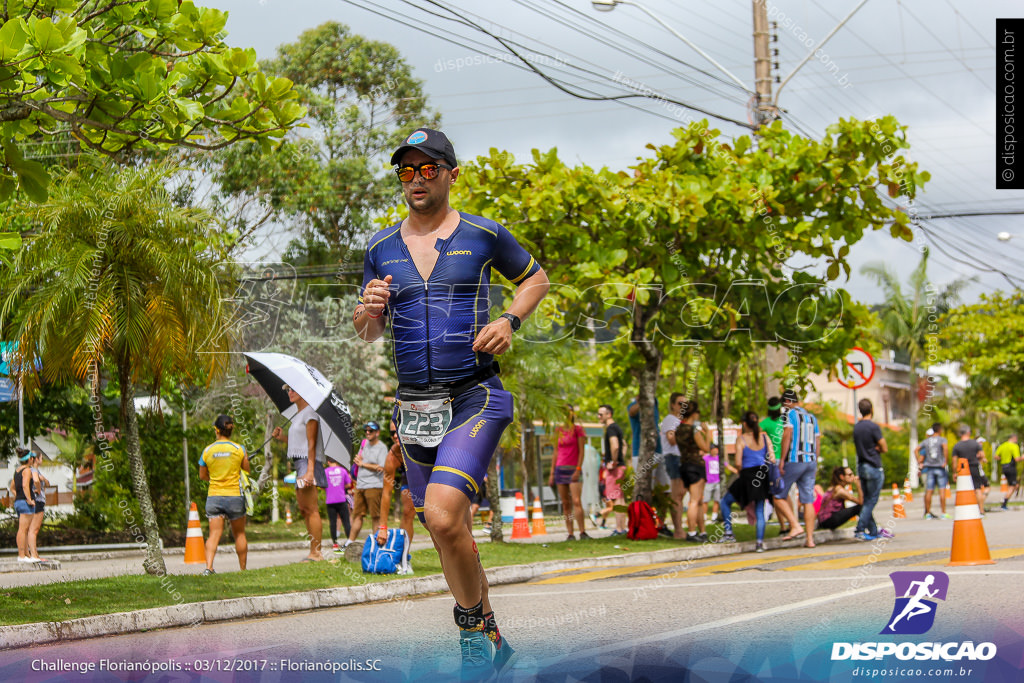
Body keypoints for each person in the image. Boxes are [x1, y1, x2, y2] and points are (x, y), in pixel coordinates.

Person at [353, 127, 549, 679]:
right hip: (415, 405)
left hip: (475, 395)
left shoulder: (483, 235)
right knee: (448, 530)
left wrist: (509, 319)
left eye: (427, 169)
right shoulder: (378, 248)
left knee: (440, 517)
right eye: (406, 171)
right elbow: (368, 331)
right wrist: (368, 309)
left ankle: (469, 638)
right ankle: (492, 636)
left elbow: (536, 279)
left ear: (451, 174)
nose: (416, 180)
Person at [272, 385, 327, 562]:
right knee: (304, 510)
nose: (290, 392)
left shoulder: (310, 413)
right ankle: (313, 550)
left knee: (311, 509)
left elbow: (311, 443)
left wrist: (310, 471)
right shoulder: (298, 414)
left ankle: (317, 552)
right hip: (300, 463)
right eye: (288, 389)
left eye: (294, 389)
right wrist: (283, 438)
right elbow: (299, 442)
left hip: (307, 462)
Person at [198, 415, 250, 575]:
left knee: (214, 534)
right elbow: (246, 471)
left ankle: (209, 567)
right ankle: (242, 570)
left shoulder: (207, 451)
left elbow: (202, 476)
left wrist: (214, 477)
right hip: (235, 497)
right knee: (239, 534)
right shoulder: (239, 449)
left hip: (214, 497)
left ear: (216, 430)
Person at [719, 411, 775, 551]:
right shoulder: (764, 437)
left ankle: (728, 532)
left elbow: (738, 462)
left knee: (725, 501)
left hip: (746, 475)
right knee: (759, 509)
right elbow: (772, 458)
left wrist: (740, 471)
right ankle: (759, 543)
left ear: (744, 424)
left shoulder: (741, 439)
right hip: (762, 475)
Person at [776, 390, 820, 548]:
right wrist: (815, 460)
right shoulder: (812, 417)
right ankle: (810, 539)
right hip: (810, 460)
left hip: (795, 460)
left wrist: (782, 460)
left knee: (777, 494)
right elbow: (817, 441)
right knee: (808, 500)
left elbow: (787, 435)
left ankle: (794, 525)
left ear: (788, 401)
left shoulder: (790, 415)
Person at [760, 396, 802, 537]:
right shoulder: (786, 420)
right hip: (786, 460)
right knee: (783, 493)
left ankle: (787, 525)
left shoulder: (764, 423)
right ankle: (790, 524)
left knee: (777, 494)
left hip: (773, 461)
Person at [376, 421, 415, 574]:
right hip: (410, 476)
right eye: (391, 433)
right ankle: (404, 559)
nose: (394, 436)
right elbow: (386, 493)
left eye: (397, 431)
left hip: (430, 471)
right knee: (407, 511)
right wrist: (383, 528)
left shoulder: (421, 444)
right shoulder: (393, 455)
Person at [853, 398, 893, 541]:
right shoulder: (873, 427)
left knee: (867, 501)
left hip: (862, 466)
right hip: (874, 466)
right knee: (871, 501)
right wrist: (876, 448)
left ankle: (874, 531)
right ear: (872, 410)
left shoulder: (856, 427)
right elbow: (884, 447)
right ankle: (859, 529)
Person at [548, 405, 589, 540]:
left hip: (573, 469)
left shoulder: (578, 430)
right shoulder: (558, 430)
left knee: (576, 501)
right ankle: (570, 533)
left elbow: (582, 451)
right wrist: (552, 472)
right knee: (565, 503)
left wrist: (578, 469)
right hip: (560, 469)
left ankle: (582, 532)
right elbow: (555, 452)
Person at [347, 422, 388, 549]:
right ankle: (350, 543)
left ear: (377, 432)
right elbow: (359, 463)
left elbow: (382, 467)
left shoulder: (381, 448)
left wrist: (363, 464)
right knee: (357, 515)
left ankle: (377, 545)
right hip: (360, 485)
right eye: (366, 430)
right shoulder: (364, 444)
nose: (368, 432)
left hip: (374, 485)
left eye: (371, 430)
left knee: (375, 516)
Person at [674, 402, 711, 542]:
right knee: (694, 501)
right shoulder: (693, 430)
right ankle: (691, 533)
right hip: (696, 466)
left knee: (699, 500)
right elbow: (706, 448)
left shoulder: (679, 430)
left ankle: (702, 532)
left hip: (684, 465)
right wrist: (707, 433)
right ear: (694, 414)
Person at [598, 404, 627, 536]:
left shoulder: (611, 428)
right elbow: (624, 445)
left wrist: (613, 462)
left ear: (608, 414)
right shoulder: (617, 428)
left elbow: (615, 446)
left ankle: (620, 529)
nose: (599, 417)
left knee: (615, 498)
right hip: (621, 465)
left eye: (601, 414)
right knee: (619, 497)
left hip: (615, 468)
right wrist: (621, 459)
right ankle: (621, 528)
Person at [660, 392, 686, 538]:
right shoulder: (670, 419)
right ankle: (678, 530)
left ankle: (677, 527)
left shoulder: (682, 421)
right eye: (680, 404)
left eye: (685, 404)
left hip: (680, 458)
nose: (683, 407)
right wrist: (689, 438)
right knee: (676, 496)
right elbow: (671, 439)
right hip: (673, 458)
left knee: (679, 495)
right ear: (672, 405)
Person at [917, 422, 950, 519]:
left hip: (929, 468)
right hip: (939, 467)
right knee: (942, 491)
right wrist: (945, 461)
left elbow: (916, 450)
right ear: (940, 430)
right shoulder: (942, 440)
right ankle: (943, 513)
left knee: (929, 491)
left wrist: (919, 463)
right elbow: (945, 448)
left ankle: (927, 514)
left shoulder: (926, 441)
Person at [952, 425, 986, 514]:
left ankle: (967, 510)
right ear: (968, 433)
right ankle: (981, 510)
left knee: (964, 489)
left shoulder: (957, 445)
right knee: (977, 489)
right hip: (974, 467)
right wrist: (979, 459)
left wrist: (954, 472)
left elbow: (954, 461)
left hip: (963, 470)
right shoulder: (975, 443)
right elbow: (982, 455)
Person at [817, 466, 863, 531]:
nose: (853, 476)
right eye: (850, 475)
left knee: (861, 507)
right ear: (842, 477)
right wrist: (858, 485)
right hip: (827, 520)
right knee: (861, 507)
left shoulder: (835, 487)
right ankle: (865, 529)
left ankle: (867, 529)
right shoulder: (839, 490)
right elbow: (860, 502)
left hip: (824, 520)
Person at [12, 449, 38, 563]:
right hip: (24, 502)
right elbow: (25, 485)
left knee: (25, 529)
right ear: (30, 459)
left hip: (18, 502)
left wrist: (18, 496)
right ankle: (21, 555)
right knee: (22, 530)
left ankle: (26, 555)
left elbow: (12, 487)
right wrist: (29, 499)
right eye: (33, 458)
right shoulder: (27, 470)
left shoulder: (17, 470)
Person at [325, 458, 352, 552]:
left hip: (330, 501)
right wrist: (340, 487)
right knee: (346, 521)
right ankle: (350, 542)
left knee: (333, 522)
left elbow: (322, 485)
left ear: (328, 462)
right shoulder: (342, 470)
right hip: (341, 499)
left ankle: (335, 543)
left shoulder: (325, 472)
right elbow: (349, 485)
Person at [27, 451, 49, 562]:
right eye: (41, 458)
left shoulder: (35, 471)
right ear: (36, 459)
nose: (42, 460)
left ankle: (34, 554)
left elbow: (47, 482)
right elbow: (36, 481)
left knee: (32, 529)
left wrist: (43, 480)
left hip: (38, 501)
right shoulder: (33, 471)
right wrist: (39, 489)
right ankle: (34, 555)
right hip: (38, 501)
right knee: (33, 530)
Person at [996, 434, 1021, 510]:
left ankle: (1005, 500)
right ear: (1014, 438)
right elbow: (1017, 459)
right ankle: (1004, 503)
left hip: (1004, 467)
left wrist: (1003, 459)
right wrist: (1022, 457)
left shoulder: (1002, 445)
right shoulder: (1014, 446)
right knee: (1012, 486)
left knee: (1013, 485)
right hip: (1011, 467)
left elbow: (996, 456)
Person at [703, 444, 725, 523]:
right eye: (713, 449)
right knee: (705, 500)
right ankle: (704, 516)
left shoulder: (720, 459)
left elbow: (727, 465)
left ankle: (714, 517)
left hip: (717, 481)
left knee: (717, 500)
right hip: (708, 482)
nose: (714, 450)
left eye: (716, 449)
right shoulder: (705, 458)